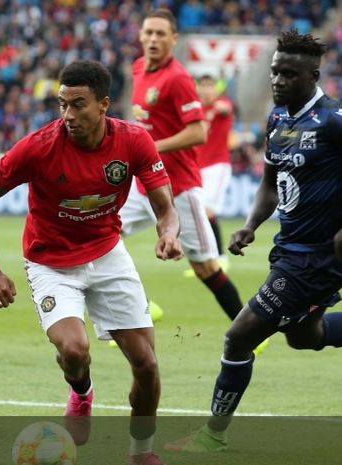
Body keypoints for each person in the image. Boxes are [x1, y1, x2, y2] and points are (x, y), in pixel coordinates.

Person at [0, 60, 184, 465]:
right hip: (51, 262)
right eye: (62, 104)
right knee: (73, 349)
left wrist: (168, 234)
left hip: (107, 254)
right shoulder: (38, 147)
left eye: (78, 105)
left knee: (147, 364)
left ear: (104, 105)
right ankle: (82, 392)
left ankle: (141, 453)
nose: (67, 115)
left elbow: (165, 208)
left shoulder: (134, 141)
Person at [166, 29, 342, 453]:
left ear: (313, 75)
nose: (278, 81)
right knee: (304, 335)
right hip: (289, 248)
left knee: (239, 336)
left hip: (316, 259)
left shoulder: (333, 121)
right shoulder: (278, 118)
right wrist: (250, 225)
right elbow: (268, 182)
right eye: (274, 72)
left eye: (288, 74)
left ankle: (212, 435)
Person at [123, 9, 246, 331]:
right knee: (99, 236)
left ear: (173, 40)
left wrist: (150, 148)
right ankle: (139, 307)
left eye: (160, 34)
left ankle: (249, 330)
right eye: (148, 32)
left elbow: (198, 133)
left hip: (177, 188)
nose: (153, 39)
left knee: (206, 267)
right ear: (140, 35)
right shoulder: (138, 69)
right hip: (142, 186)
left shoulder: (177, 78)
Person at [194, 74, 236, 270]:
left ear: (216, 89)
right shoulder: (197, 110)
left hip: (217, 167)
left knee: (207, 211)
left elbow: (225, 109)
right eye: (203, 86)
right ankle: (209, 259)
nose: (206, 90)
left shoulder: (222, 104)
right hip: (198, 167)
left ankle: (221, 258)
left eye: (210, 86)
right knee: (199, 213)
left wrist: (217, 107)